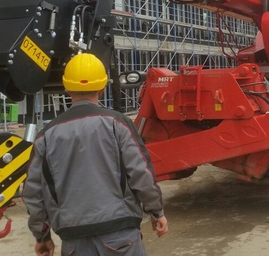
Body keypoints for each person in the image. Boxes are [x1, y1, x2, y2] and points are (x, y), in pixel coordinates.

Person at [23, 53, 168, 256]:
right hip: (120, 234)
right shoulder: (118, 125)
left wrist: (42, 235)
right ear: (103, 88)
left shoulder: (46, 136)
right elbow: (141, 173)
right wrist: (156, 211)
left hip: (74, 239)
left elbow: (33, 192)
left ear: (66, 88)